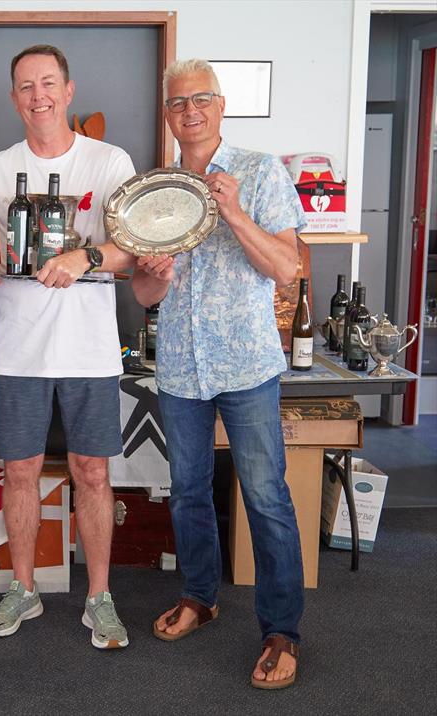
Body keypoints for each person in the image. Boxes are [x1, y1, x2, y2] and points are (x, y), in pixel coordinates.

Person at [132, 59, 305, 688]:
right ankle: (200, 596)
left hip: (247, 362)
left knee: (265, 496)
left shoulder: (260, 172)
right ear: (169, 113)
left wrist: (233, 211)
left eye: (201, 99)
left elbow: (286, 268)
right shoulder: (156, 189)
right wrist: (155, 272)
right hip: (180, 364)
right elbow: (145, 296)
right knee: (187, 492)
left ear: (221, 104)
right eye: (178, 103)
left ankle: (281, 628)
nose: (190, 112)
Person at [0, 45, 137, 649]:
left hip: (90, 349)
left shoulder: (110, 161)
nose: (38, 95)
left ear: (68, 90)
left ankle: (100, 598)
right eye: (25, 87)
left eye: (47, 83)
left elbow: (132, 248)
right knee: (19, 472)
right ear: (14, 98)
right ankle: (24, 589)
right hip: (18, 351)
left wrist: (84, 255)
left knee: (93, 471)